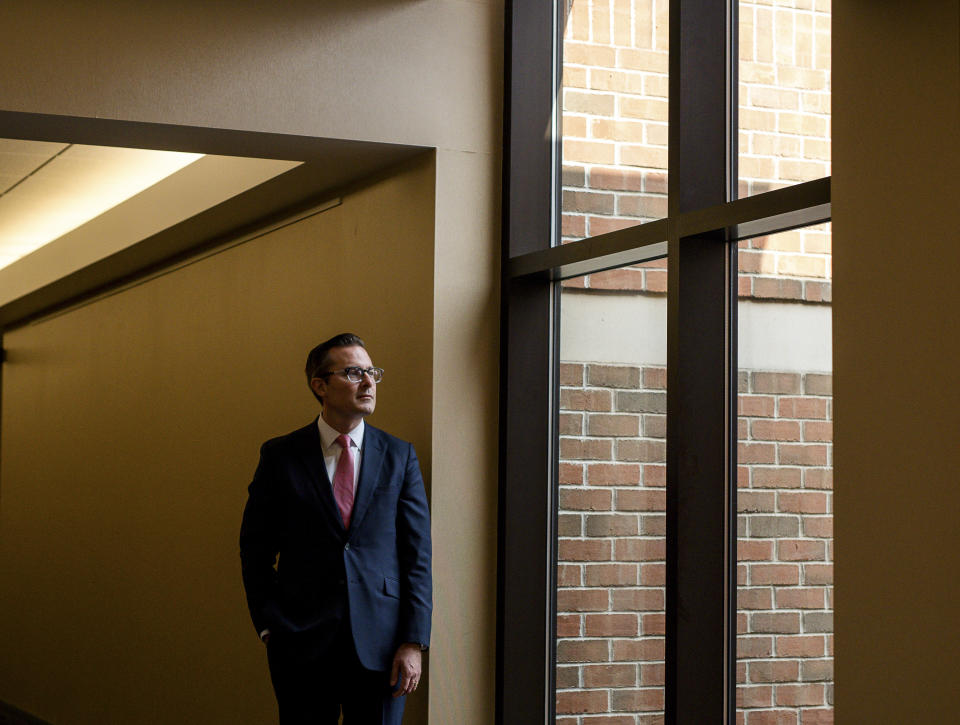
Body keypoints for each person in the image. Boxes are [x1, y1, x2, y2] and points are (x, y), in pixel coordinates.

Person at [240, 333, 432, 724]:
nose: (368, 382)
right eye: (353, 372)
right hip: (301, 644)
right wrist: (270, 626)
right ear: (320, 386)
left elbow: (417, 556)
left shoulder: (399, 456)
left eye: (372, 372)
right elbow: (255, 549)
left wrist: (413, 641)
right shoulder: (281, 456)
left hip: (383, 647)